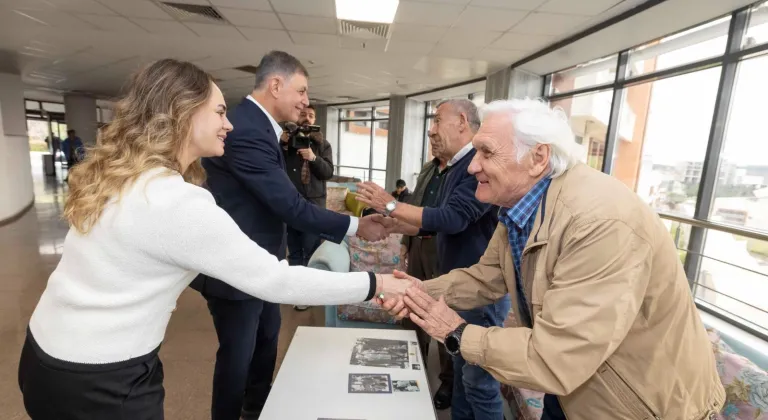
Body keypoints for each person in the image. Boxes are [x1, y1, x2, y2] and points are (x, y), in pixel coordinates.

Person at [17, 58, 411, 420]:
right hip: (101, 379)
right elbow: (277, 279)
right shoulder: (175, 199)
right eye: (220, 112)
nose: (229, 124)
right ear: (183, 114)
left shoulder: (122, 176)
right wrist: (376, 283)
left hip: (45, 355)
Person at [380, 99, 725, 419]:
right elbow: (485, 277)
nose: (472, 166)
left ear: (538, 157)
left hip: (641, 406)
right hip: (570, 390)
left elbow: (558, 355)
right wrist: (419, 291)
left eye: (486, 152)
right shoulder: (521, 207)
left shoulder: (600, 222)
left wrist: (456, 332)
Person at [190, 50, 388, 420]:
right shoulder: (246, 129)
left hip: (263, 263)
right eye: (302, 90)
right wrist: (357, 226)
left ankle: (257, 410)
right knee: (238, 356)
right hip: (235, 269)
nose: (306, 101)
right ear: (276, 84)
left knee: (265, 342)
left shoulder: (261, 127)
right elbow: (289, 206)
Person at [356, 99, 510, 420]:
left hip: (481, 290)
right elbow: (433, 217)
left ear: (462, 122)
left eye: (438, 120)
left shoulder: (475, 168)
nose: (432, 128)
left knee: (478, 383)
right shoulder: (454, 167)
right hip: (460, 283)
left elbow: (452, 218)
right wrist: (394, 223)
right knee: (462, 372)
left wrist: (391, 206)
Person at [396, 157, 455, 410]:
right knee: (413, 304)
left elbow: (451, 217)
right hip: (418, 243)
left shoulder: (463, 170)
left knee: (441, 309)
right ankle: (413, 364)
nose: (432, 134)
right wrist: (404, 242)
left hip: (442, 248)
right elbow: (415, 207)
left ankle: (448, 380)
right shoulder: (429, 169)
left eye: (439, 123)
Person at [280, 104, 335, 311]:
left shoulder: (323, 144)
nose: (307, 118)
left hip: (313, 205)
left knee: (311, 250)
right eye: (303, 114)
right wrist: (282, 144)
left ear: (315, 120)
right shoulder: (287, 141)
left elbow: (328, 172)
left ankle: (310, 293)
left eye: (311, 115)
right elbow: (275, 165)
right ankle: (296, 291)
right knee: (294, 251)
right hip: (291, 203)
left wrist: (313, 158)